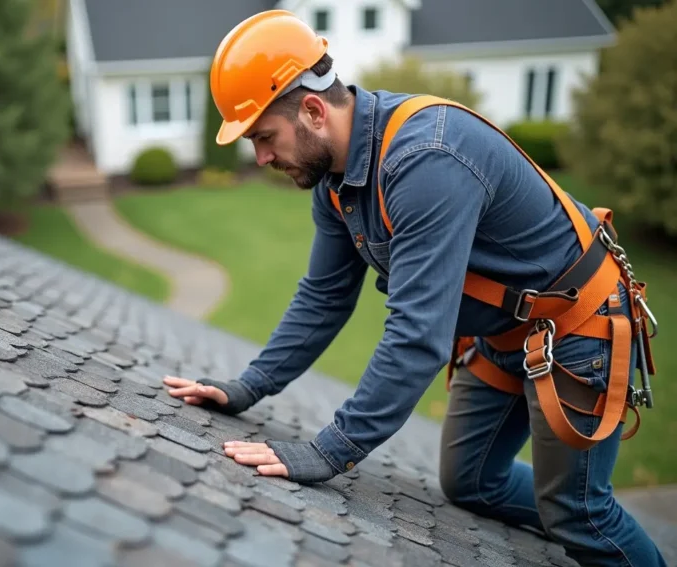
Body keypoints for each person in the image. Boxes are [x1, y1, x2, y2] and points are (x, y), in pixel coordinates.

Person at [162, 9, 665, 566]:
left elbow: (419, 334)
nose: (260, 158)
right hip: (504, 333)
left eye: (264, 137)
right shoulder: (336, 185)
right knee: (471, 481)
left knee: (579, 512)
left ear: (311, 110)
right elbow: (324, 296)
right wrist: (247, 387)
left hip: (577, 324)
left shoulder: (426, 160)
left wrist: (329, 451)